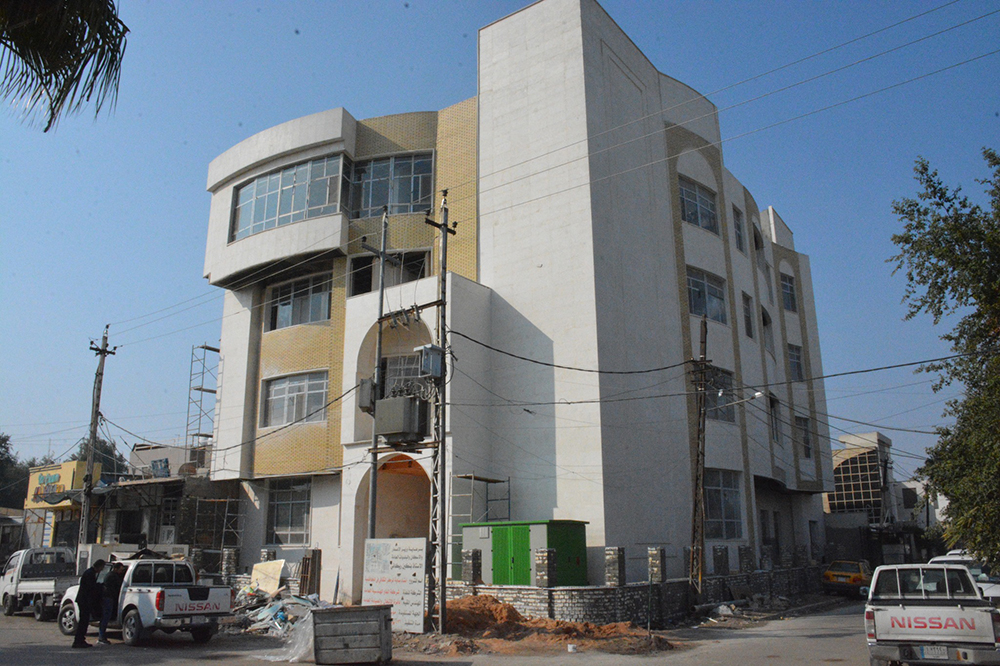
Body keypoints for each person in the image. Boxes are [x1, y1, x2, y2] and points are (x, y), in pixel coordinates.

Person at [72, 559, 105, 648]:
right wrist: (100, 587)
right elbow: (91, 588)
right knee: (83, 621)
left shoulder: (89, 572)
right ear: (99, 566)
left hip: (83, 600)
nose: (101, 570)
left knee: (84, 621)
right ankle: (79, 641)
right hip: (84, 601)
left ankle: (80, 640)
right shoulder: (90, 573)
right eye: (102, 568)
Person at [98, 562, 126, 645]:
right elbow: (117, 586)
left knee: (105, 617)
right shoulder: (112, 576)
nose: (121, 572)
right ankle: (101, 637)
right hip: (108, 598)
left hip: (108, 597)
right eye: (120, 570)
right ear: (116, 569)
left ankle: (101, 636)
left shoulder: (111, 575)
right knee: (105, 617)